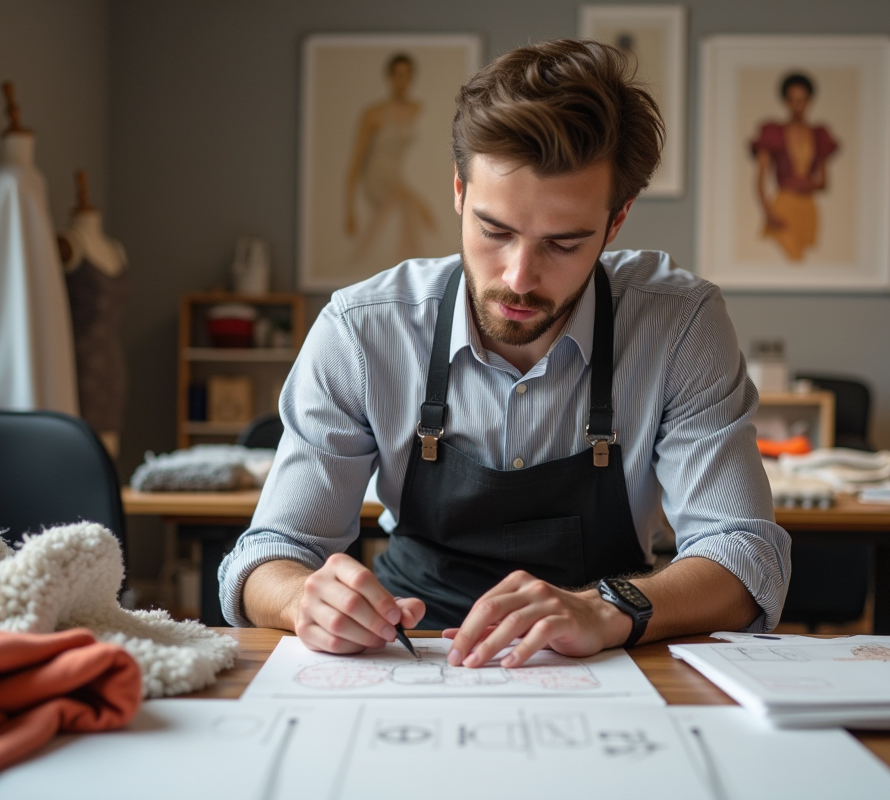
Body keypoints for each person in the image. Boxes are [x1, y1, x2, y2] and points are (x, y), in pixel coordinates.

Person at [221, 39, 790, 671]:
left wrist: (608, 609)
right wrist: (303, 597)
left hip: (603, 655)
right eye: (495, 231)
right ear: (459, 191)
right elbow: (265, 556)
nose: (519, 278)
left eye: (563, 244)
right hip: (411, 653)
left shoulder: (680, 325)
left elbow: (745, 558)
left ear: (616, 220)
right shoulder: (361, 331)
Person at [344, 52, 436, 264]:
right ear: (389, 77)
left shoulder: (417, 109)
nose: (402, 82)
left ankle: (410, 263)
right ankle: (413, 263)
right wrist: (349, 211)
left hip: (397, 177)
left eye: (407, 76)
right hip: (376, 178)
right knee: (412, 208)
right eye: (397, 75)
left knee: (409, 212)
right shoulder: (373, 114)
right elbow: (356, 161)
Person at [751, 72, 839, 261]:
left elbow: (823, 182)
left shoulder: (819, 134)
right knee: (790, 257)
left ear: (809, 101)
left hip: (808, 207)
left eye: (803, 100)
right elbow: (760, 181)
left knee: (804, 263)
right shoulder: (772, 132)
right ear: (786, 101)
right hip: (784, 204)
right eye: (793, 100)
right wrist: (768, 212)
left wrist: (807, 184)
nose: (798, 105)